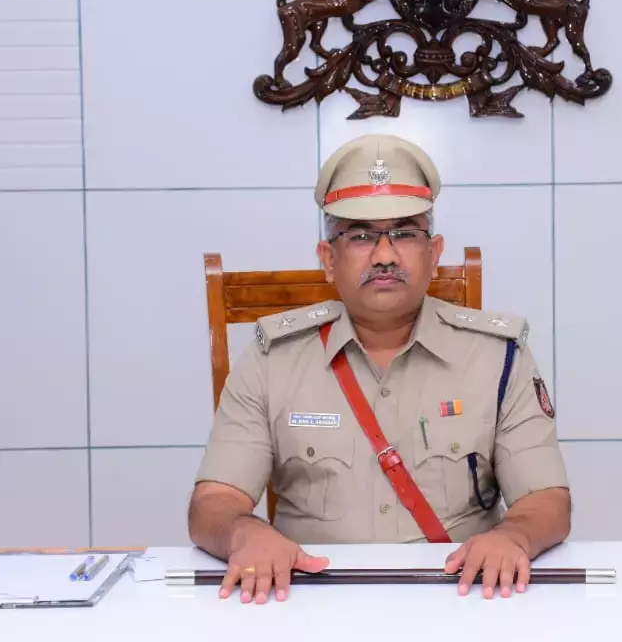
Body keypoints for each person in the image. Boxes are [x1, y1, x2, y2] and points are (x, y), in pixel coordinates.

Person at [188, 133, 570, 605]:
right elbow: (212, 505)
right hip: (307, 601)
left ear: (434, 254)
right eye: (362, 236)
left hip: (463, 597)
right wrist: (245, 533)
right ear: (328, 260)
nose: (385, 255)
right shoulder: (272, 359)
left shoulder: (498, 356)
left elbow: (547, 501)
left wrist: (514, 537)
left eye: (405, 234)